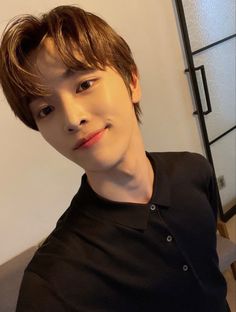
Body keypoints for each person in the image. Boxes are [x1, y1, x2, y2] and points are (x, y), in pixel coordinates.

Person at [0, 5, 229, 312]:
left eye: (84, 84)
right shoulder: (52, 286)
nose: (72, 119)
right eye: (46, 110)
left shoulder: (194, 171)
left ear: (131, 81)